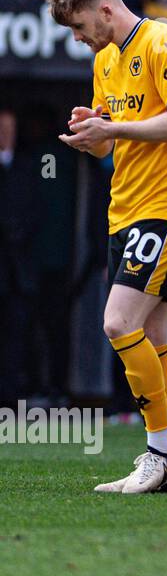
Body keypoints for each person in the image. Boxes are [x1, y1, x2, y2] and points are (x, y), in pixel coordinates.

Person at [48, 0, 167, 494]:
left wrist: (112, 125)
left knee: (118, 323)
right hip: (127, 207)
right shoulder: (106, 61)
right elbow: (114, 143)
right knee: (154, 336)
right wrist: (95, 134)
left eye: (79, 26)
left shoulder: (164, 43)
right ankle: (163, 462)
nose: (78, 38)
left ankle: (159, 451)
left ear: (105, 9)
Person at [0, 108, 39, 407]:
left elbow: (37, 214)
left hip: (20, 270)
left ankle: (12, 399)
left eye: (9, 128)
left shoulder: (28, 168)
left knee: (18, 334)